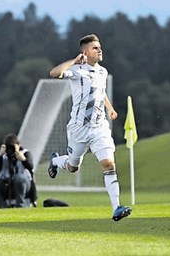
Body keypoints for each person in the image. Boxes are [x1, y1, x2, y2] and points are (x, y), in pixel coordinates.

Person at [47, 34, 132, 221]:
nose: (100, 50)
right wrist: (73, 61)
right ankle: (56, 161)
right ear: (85, 52)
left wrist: (110, 109)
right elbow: (54, 73)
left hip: (99, 127)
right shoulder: (77, 71)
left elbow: (100, 93)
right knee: (72, 167)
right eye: (95, 48)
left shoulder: (103, 72)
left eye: (100, 47)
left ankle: (116, 207)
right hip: (78, 129)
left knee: (109, 164)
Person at [0, 134, 36, 208]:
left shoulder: (25, 153)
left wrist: (23, 159)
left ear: (18, 145)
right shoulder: (4, 155)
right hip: (6, 183)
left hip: (24, 183)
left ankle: (20, 205)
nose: (10, 150)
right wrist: (0, 155)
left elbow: (31, 167)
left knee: (19, 178)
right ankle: (3, 206)